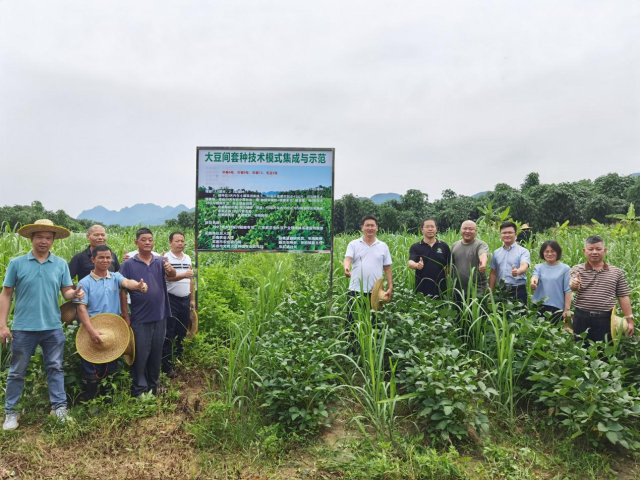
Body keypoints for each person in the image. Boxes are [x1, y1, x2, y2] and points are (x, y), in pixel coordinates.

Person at [0, 219, 85, 431]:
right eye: (40, 237)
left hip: (52, 326)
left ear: (53, 240)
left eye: (48, 237)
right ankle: (11, 412)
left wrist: (73, 294)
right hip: (23, 326)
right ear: (31, 238)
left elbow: (65, 290)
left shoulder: (60, 264)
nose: (44, 241)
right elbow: (6, 294)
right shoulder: (17, 263)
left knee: (55, 367)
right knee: (16, 371)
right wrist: (2, 324)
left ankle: (59, 407)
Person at [74, 245, 147, 401]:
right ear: (93, 259)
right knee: (90, 368)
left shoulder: (115, 277)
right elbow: (81, 309)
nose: (105, 260)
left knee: (110, 366)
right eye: (101, 257)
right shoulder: (85, 283)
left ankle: (108, 400)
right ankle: (91, 401)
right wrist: (91, 331)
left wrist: (138, 286)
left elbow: (127, 283)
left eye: (108, 257)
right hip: (91, 328)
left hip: (112, 330)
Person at [119, 228, 176, 397]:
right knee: (140, 355)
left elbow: (172, 275)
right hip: (140, 317)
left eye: (150, 239)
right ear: (136, 243)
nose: (147, 242)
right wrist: (125, 315)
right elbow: (122, 290)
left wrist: (169, 268)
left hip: (160, 315)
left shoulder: (160, 261)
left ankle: (154, 387)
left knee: (156, 353)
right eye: (143, 240)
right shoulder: (128, 264)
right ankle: (139, 390)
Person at [569, 235, 634, 343]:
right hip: (581, 318)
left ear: (605, 251)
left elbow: (623, 296)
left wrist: (629, 321)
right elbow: (572, 284)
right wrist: (574, 285)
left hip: (606, 320)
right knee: (581, 352)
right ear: (585, 251)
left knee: (604, 354)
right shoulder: (577, 269)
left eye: (598, 249)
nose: (594, 252)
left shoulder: (616, 272)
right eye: (591, 249)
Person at [343, 215, 393, 319]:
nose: (370, 228)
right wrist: (346, 268)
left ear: (377, 228)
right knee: (352, 321)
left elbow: (387, 268)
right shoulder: (354, 244)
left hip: (375, 291)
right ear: (362, 228)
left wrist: (390, 286)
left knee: (373, 322)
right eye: (367, 225)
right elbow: (348, 258)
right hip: (355, 290)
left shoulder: (383, 246)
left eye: (372, 225)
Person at [162, 231, 194, 379]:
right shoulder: (166, 258)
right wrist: (184, 275)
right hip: (171, 299)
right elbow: (168, 278)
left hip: (185, 299)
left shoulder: (187, 257)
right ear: (170, 243)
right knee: (169, 332)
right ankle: (167, 366)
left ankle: (178, 358)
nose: (180, 243)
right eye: (177, 241)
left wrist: (192, 299)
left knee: (182, 331)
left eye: (182, 241)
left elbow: (191, 279)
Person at [529, 240, 571, 324]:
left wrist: (567, 310)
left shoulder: (565, 269)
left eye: (552, 251)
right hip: (539, 306)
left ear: (558, 252)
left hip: (556, 307)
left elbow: (568, 290)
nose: (549, 254)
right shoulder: (538, 267)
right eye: (546, 251)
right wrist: (533, 283)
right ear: (542, 253)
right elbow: (535, 276)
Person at [489, 221, 531, 304]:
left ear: (515, 234)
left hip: (518, 291)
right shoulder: (496, 253)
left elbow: (524, 266)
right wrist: (490, 292)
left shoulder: (523, 251)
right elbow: (493, 273)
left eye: (510, 232)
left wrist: (517, 271)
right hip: (501, 290)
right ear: (500, 235)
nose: (507, 235)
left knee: (520, 316)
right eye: (504, 233)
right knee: (501, 316)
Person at [407, 218, 450, 298]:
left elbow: (449, 265)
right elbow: (410, 263)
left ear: (436, 229)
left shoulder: (444, 246)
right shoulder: (416, 247)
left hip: (441, 288)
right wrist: (417, 265)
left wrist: (442, 275)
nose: (430, 229)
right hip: (421, 289)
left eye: (432, 227)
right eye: (427, 227)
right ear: (422, 230)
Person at [451, 220, 489, 298]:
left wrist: (483, 264)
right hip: (458, 291)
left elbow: (483, 254)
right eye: (465, 228)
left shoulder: (480, 244)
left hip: (477, 290)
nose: (467, 231)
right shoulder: (454, 245)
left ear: (476, 231)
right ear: (461, 230)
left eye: (471, 229)